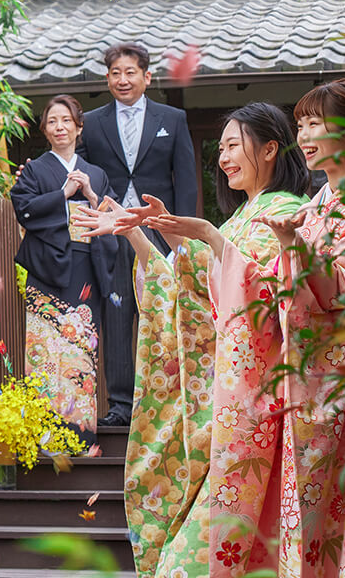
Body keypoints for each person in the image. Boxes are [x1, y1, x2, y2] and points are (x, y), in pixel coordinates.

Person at [78, 102, 309, 577]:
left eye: (232, 145)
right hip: (228, 406)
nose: (222, 158)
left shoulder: (286, 213)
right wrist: (138, 235)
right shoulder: (240, 219)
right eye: (219, 147)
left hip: (260, 409)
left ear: (270, 148)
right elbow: (192, 295)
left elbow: (257, 298)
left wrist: (197, 234)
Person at [218, 79, 345, 576]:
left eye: (315, 123)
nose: (303, 134)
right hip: (301, 372)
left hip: (344, 375)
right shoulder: (319, 201)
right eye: (300, 123)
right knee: (306, 505)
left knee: (343, 501)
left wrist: (293, 247)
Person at [76, 43, 197, 427]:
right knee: (116, 315)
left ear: (146, 76)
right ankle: (121, 403)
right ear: (107, 78)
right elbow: (76, 168)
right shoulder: (92, 123)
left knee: (165, 312)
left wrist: (182, 234)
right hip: (112, 234)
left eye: (130, 72)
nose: (123, 79)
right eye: (115, 73)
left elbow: (187, 181)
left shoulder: (172, 118)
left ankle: (170, 396)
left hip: (159, 233)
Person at [9, 95, 120, 441]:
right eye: (53, 121)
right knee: (44, 351)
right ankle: (43, 436)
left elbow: (114, 218)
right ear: (45, 129)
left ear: (79, 127)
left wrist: (89, 195)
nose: (60, 127)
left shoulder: (97, 175)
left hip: (86, 267)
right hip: (47, 270)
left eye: (66, 121)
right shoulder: (36, 170)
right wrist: (62, 193)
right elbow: (22, 208)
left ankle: (79, 434)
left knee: (80, 350)